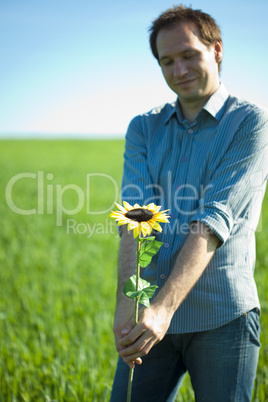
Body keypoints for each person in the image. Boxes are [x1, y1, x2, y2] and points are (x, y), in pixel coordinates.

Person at [110, 5, 268, 402]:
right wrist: (128, 306)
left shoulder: (251, 123)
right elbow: (135, 216)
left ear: (216, 50)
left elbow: (213, 221)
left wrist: (162, 310)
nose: (178, 70)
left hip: (222, 317)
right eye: (167, 61)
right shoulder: (143, 127)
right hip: (147, 317)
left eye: (189, 56)